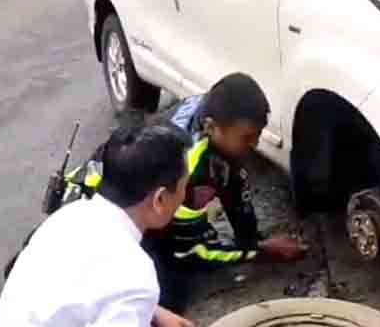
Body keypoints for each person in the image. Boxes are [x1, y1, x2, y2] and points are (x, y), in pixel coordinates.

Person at [65, 73, 309, 314]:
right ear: (210, 127)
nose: (254, 144)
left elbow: (233, 185)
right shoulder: (189, 166)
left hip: (116, 195)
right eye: (247, 138)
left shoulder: (207, 108)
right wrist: (260, 251)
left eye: (257, 135)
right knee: (169, 294)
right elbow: (195, 250)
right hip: (93, 221)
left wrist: (252, 240)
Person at [0, 123, 195, 327]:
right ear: (160, 200)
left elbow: (77, 294)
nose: (184, 195)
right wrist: (141, 304)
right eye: (184, 186)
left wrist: (153, 312)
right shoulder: (134, 275)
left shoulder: (69, 216)